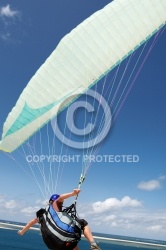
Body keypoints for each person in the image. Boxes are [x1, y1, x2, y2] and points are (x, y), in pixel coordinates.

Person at [18, 189, 101, 250]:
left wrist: (22, 232)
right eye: (61, 203)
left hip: (53, 246)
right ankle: (93, 244)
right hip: (63, 242)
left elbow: (31, 223)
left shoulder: (43, 214)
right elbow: (60, 198)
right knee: (83, 223)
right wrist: (73, 193)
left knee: (70, 243)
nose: (62, 203)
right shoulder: (54, 205)